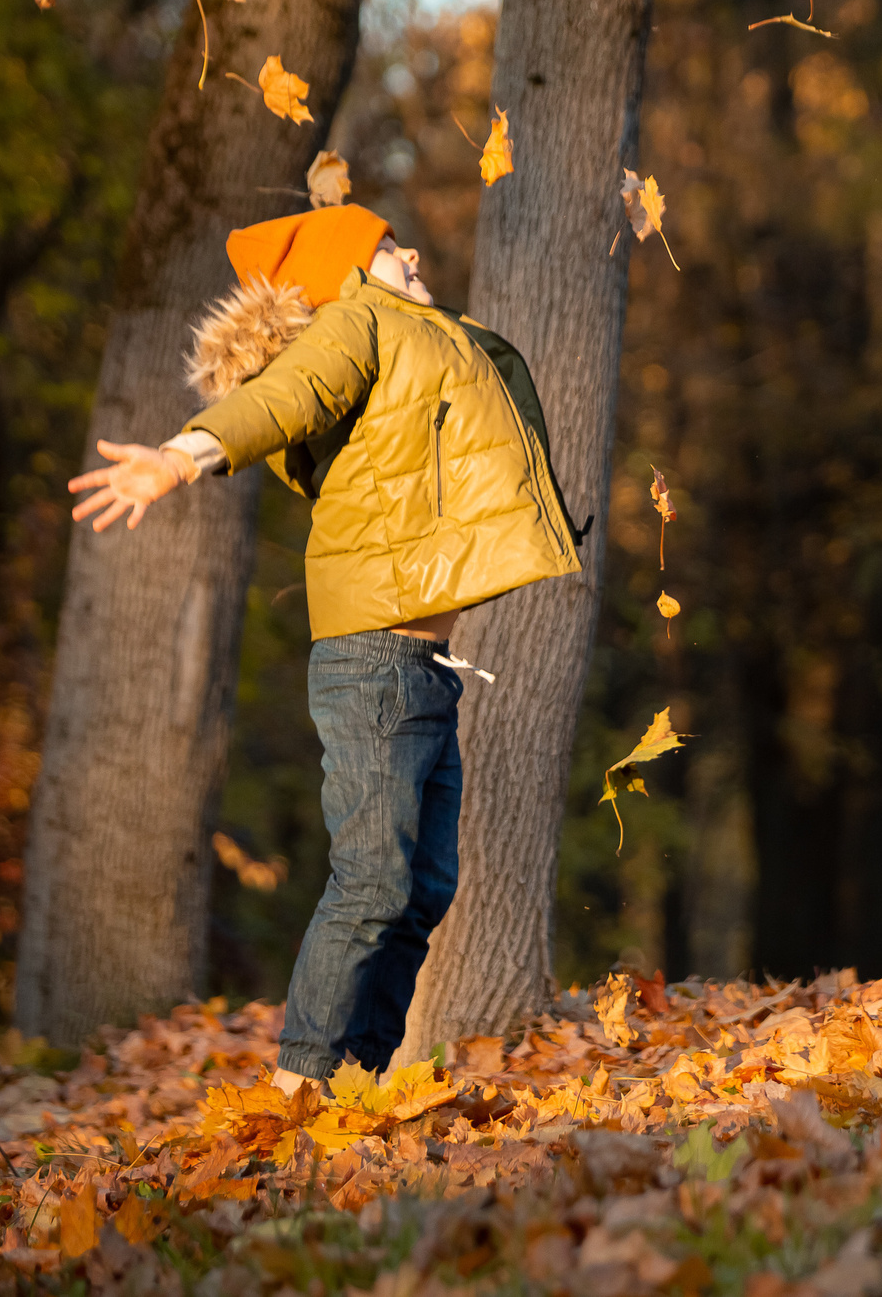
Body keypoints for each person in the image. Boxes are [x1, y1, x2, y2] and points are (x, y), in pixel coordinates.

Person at [67, 181, 580, 1093]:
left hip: (420, 667)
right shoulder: (355, 324)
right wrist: (181, 460)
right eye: (387, 248)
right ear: (343, 274)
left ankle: (357, 1084)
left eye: (402, 245)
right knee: (373, 882)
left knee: (422, 889)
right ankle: (297, 1088)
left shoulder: (403, 339)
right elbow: (283, 398)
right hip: (374, 662)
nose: (410, 255)